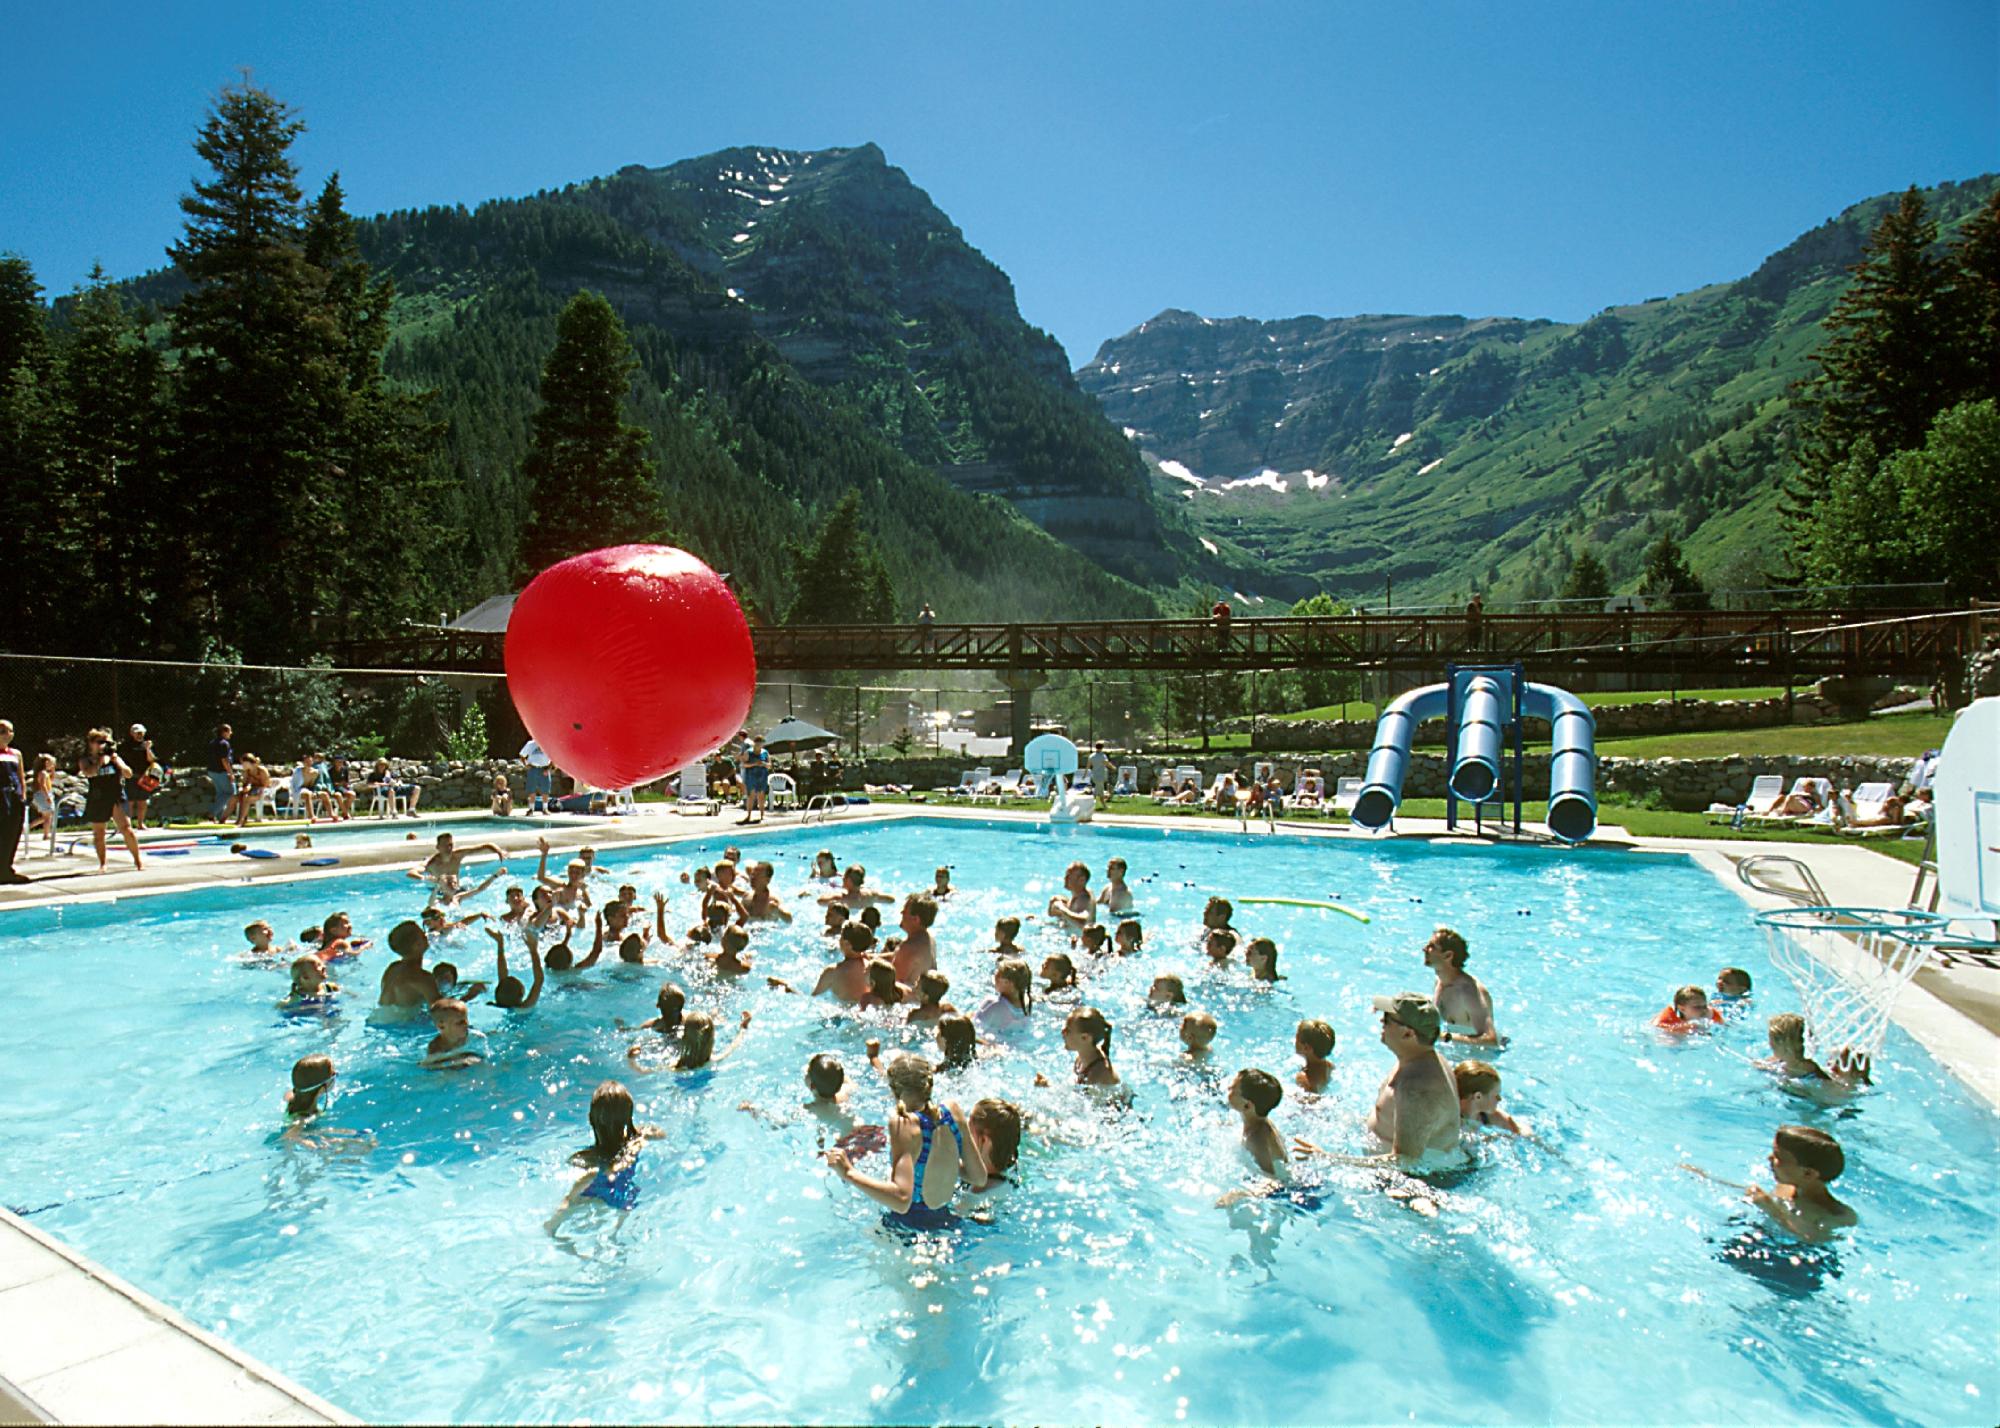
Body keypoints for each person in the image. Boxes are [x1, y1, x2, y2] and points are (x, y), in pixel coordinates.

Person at [826, 1053, 986, 1228]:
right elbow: (978, 1177)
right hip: (948, 1222)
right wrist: (942, 1163)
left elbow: (901, 1200)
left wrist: (849, 1172)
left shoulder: (904, 1124)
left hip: (907, 1231)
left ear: (894, 1090)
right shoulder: (952, 1110)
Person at [1684, 1125, 1857, 1244]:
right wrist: (1707, 1178)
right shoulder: (1786, 1188)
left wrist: (1773, 1211)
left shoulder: (1838, 1214)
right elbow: (1751, 1193)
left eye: (1778, 1157)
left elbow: (1812, 1239)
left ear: (1808, 1173)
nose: (1769, 1159)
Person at [1357, 993, 1461, 1167]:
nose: (1381, 1022)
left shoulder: (1418, 1089)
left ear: (1408, 1033)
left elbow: (1405, 1162)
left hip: (1414, 1183)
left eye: (1387, 1018)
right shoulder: (1414, 1060)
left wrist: (1326, 1158)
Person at [548, 1082, 665, 1229]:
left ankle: (552, 1228)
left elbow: (571, 1185)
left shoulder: (585, 1157)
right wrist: (639, 1135)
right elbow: (660, 1134)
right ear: (629, 1116)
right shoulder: (636, 1142)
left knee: (572, 1199)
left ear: (591, 1119)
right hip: (623, 1195)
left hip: (596, 1187)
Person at [78, 728, 142, 873]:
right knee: (99, 832)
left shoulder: (114, 757)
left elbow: (128, 773)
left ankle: (138, 861)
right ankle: (103, 863)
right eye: (100, 742)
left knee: (126, 828)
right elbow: (89, 773)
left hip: (116, 794)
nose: (103, 745)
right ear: (91, 744)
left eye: (106, 742)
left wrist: (118, 763)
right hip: (98, 796)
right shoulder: (85, 760)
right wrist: (100, 760)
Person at [1424, 928, 1500, 1046]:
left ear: (1448, 955)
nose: (1424, 949)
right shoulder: (1439, 982)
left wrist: (1443, 1037)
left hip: (1478, 1057)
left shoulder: (1469, 991)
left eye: (1431, 947)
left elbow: (1491, 1040)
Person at [1229, 1068, 1288, 1177]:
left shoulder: (1256, 1138)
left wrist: (1237, 1194)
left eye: (1232, 1090)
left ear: (1247, 1105)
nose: (1228, 1088)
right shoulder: (1257, 1122)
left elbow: (1272, 1180)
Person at [1054, 1006, 1120, 1088]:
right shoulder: (1082, 1058)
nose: (1062, 1032)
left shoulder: (1100, 1075)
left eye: (1068, 1030)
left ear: (1085, 1038)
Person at [1453, 1061, 1525, 1135]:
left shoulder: (1488, 1116)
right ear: (1478, 1097)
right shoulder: (1451, 1120)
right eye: (1496, 1095)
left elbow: (1523, 1132)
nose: (1500, 1099)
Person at [484, 926, 545, 1010]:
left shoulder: (497, 1006)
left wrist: (500, 943)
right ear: (522, 993)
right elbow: (539, 980)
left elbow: (502, 977)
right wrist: (533, 950)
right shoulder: (525, 1007)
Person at [115, 723, 157, 830]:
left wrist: (148, 749)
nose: (140, 735)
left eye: (141, 733)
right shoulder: (125, 746)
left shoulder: (146, 745)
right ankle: (127, 825)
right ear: (132, 733)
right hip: (131, 777)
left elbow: (151, 760)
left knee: (143, 801)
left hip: (144, 777)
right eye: (137, 733)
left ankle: (140, 823)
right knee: (130, 801)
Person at [889, 894, 938, 984]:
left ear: (916, 919)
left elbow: (891, 984)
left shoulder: (908, 948)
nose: (901, 913)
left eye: (904, 912)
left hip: (908, 996)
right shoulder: (929, 939)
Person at [423, 998, 485, 1067]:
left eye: (466, 1020)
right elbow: (427, 1065)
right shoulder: (436, 1048)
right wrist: (459, 1063)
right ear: (441, 1026)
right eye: (460, 1022)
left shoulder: (475, 1036)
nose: (466, 1024)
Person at [976, 958, 1034, 1032]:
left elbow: (973, 1030)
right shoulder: (1028, 1002)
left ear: (1008, 983)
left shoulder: (996, 1006)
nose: (994, 977)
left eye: (997, 975)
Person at [0, 720, 25, 883]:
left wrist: (22, 794)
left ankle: (7, 868)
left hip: (14, 795)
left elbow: (20, 776)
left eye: (7, 731)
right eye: (1, 731)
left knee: (13, 831)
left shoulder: (16, 754)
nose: (4, 734)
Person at [1046, 861, 1096, 930]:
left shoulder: (1084, 899)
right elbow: (1052, 914)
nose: (1065, 878)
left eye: (1069, 876)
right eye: (1066, 875)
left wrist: (1061, 907)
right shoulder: (1075, 896)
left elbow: (1083, 921)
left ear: (1082, 880)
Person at [1655, 984, 1723, 1033]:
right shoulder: (1668, 1025)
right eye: (1697, 1007)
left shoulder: (1711, 1016)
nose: (1704, 1010)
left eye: (1705, 1006)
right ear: (1682, 1009)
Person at [1294, 1018, 1335, 1093]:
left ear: (1306, 1048)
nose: (1294, 1042)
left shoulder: (1303, 1078)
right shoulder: (1330, 1066)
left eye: (1297, 1039)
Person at [207, 722, 236, 824]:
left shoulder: (213, 742)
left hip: (211, 771)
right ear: (224, 732)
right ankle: (212, 813)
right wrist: (231, 773)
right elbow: (224, 760)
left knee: (221, 793)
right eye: (229, 731)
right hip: (221, 772)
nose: (231, 733)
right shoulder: (224, 743)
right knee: (230, 792)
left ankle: (220, 818)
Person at [738, 734, 770, 825]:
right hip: (751, 776)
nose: (759, 745)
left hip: (762, 776)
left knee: (761, 795)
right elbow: (743, 764)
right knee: (751, 796)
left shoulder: (765, 752)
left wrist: (763, 764)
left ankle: (762, 815)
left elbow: (769, 765)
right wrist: (755, 764)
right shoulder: (748, 752)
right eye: (758, 743)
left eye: (761, 743)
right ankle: (748, 815)